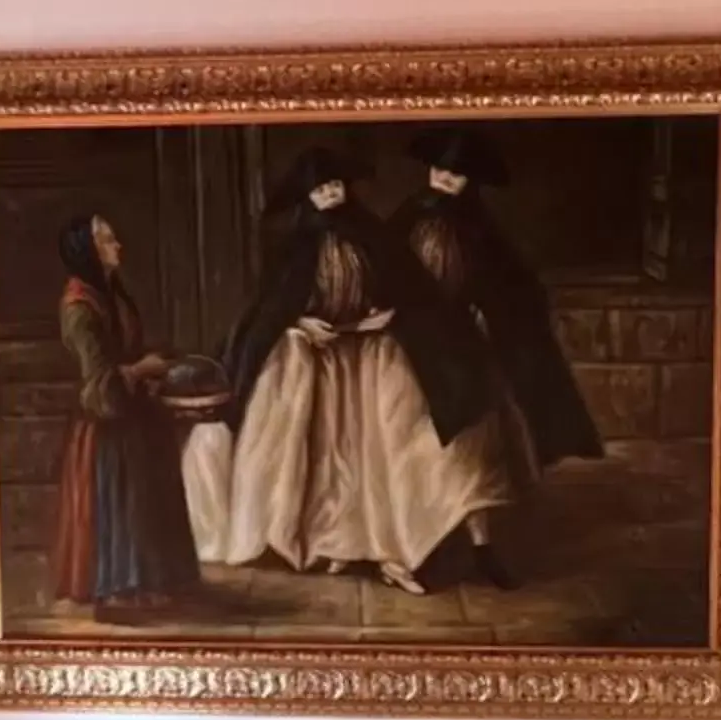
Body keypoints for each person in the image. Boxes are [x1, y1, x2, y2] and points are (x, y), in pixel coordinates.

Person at [181, 146, 506, 596]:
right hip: (317, 360)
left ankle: (392, 545)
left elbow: (406, 288)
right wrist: (300, 323)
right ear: (308, 196)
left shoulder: (372, 234)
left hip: (374, 357)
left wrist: (386, 316)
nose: (330, 193)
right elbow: (274, 305)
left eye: (335, 185)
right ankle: (331, 540)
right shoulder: (297, 245)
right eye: (320, 188)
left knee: (376, 453)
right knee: (327, 455)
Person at [391, 127, 603, 582]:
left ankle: (482, 548)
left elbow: (517, 286)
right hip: (411, 350)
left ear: (473, 181)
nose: (447, 178)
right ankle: (421, 548)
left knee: (474, 453)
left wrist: (492, 314)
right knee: (416, 452)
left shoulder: (480, 227)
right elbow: (381, 274)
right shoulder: (408, 217)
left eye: (459, 173)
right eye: (441, 168)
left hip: (466, 351)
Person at [51, 213, 202, 619]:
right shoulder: (79, 308)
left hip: (132, 409)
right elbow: (97, 380)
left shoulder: (110, 293)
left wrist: (153, 365)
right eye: (108, 241)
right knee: (121, 500)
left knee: (148, 491)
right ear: (88, 250)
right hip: (105, 423)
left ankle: (153, 582)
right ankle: (118, 590)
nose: (118, 247)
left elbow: (127, 352)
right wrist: (143, 370)